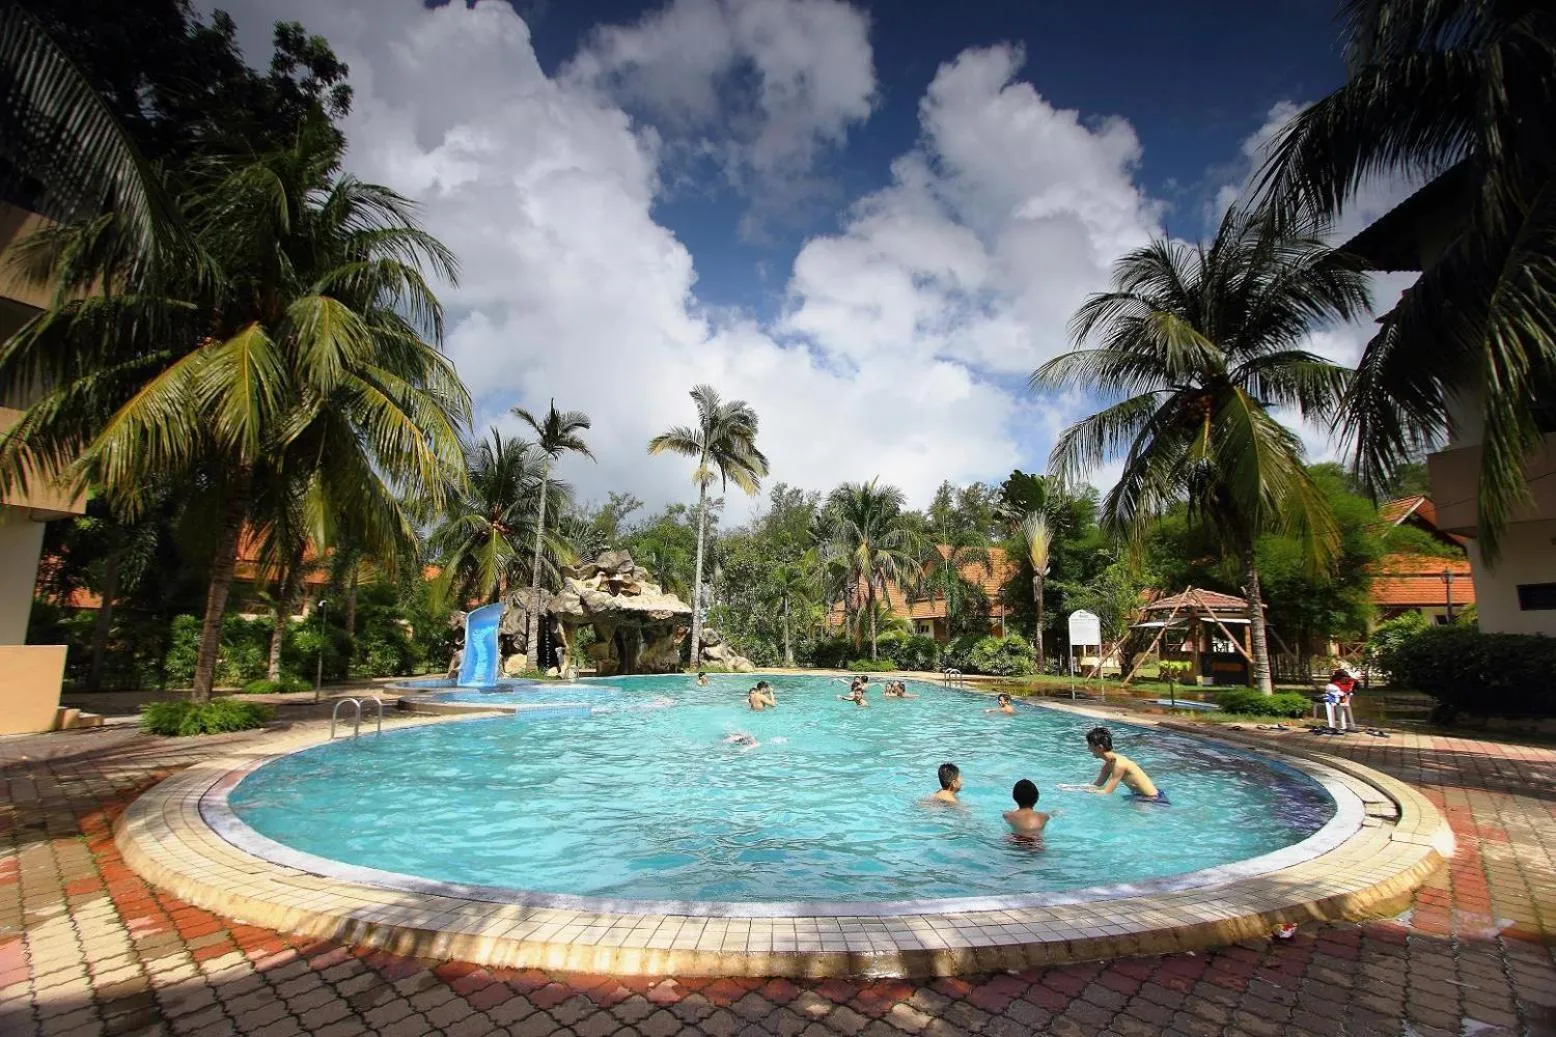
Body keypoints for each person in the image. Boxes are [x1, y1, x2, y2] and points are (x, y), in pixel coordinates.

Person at [1084, 727, 1167, 803]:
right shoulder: (1108, 765)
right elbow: (1097, 785)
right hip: (1139, 795)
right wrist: (1076, 788)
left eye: (1089, 745)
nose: (1088, 749)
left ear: (1100, 747)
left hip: (1153, 799)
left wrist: (1090, 791)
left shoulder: (1119, 765)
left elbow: (1107, 792)